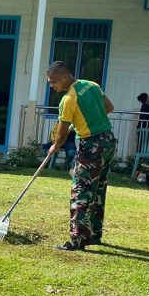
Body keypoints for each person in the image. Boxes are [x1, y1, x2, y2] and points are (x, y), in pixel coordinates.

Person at [46, 61, 116, 251]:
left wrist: (55, 147)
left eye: (53, 82)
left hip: (91, 145)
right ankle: (93, 234)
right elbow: (109, 107)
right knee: (98, 189)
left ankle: (77, 240)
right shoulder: (92, 85)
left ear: (65, 77)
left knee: (81, 190)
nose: (52, 86)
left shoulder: (68, 100)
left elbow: (60, 136)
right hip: (108, 141)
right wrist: (81, 119)